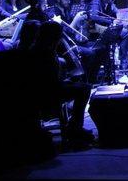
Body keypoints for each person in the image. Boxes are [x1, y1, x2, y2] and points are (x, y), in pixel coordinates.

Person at [30, 21, 94, 149]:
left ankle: (74, 127)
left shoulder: (36, 48)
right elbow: (51, 80)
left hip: (42, 89)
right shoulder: (46, 52)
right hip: (47, 93)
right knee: (84, 89)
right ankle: (75, 129)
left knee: (79, 86)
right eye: (59, 35)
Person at [89, 0, 128, 69]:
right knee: (123, 33)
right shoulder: (96, 2)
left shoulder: (110, 3)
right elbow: (93, 17)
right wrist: (111, 21)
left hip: (105, 28)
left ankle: (122, 61)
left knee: (125, 31)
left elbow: (117, 12)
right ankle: (117, 62)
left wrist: (119, 19)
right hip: (94, 29)